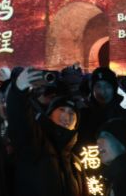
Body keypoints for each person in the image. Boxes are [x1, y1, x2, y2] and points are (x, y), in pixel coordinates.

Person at [7, 68, 86, 196]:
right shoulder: (35, 144)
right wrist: (19, 91)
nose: (66, 116)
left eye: (72, 113)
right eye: (61, 110)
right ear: (49, 115)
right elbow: (20, 120)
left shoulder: (75, 162)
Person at [78, 67, 126, 145]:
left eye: (107, 86)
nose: (103, 91)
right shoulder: (82, 117)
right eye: (98, 86)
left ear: (114, 89)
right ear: (92, 89)